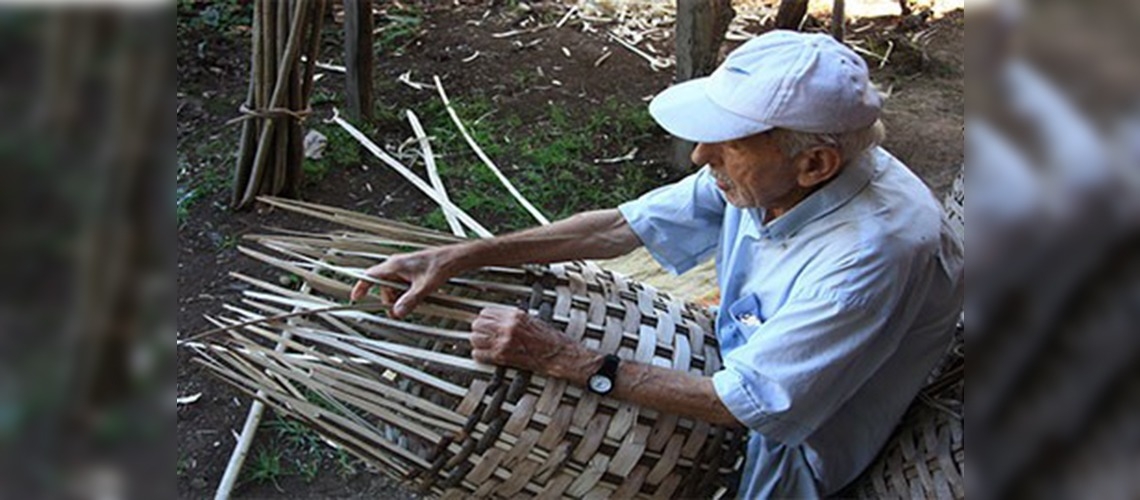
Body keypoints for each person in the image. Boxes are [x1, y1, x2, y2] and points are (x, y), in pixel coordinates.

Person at [351, 30, 963, 498]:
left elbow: (753, 405)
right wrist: (462, 255)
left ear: (816, 165)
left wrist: (565, 358)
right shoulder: (773, 178)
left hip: (791, 450)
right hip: (739, 357)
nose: (701, 155)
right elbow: (621, 226)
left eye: (726, 143)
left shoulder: (872, 252)